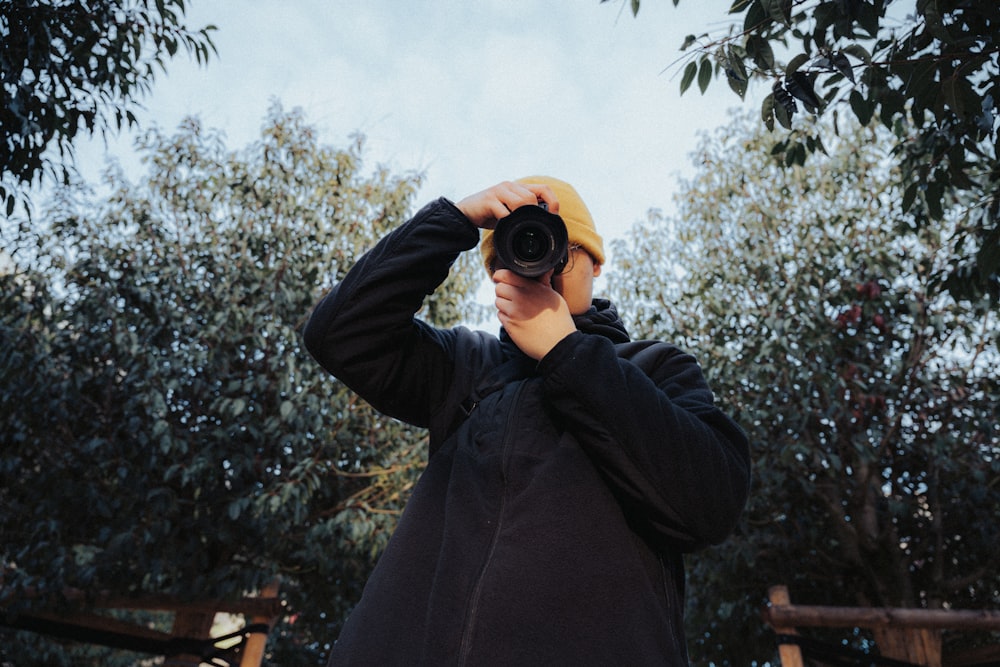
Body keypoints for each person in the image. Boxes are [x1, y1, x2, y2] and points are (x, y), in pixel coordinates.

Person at [303, 176, 750, 666]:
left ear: (596, 262)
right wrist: (456, 219)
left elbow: (713, 500)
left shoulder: (656, 367)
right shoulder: (463, 366)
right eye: (512, 254)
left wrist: (567, 351)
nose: (540, 267)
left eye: (561, 250)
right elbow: (339, 334)